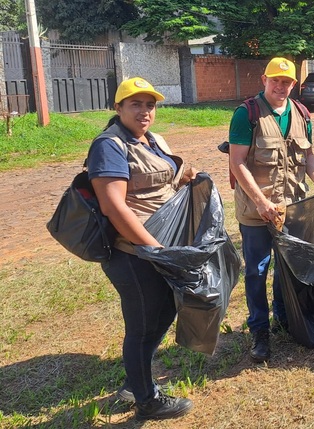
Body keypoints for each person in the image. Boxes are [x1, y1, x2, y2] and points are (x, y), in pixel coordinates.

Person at [87, 77, 197, 420]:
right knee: (142, 325)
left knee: (165, 311)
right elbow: (114, 207)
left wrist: (184, 178)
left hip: (160, 247)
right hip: (132, 253)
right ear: (118, 108)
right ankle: (146, 400)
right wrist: (155, 250)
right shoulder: (109, 145)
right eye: (135, 104)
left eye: (150, 105)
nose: (145, 111)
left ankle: (137, 381)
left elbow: (156, 187)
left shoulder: (152, 140)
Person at [228, 57, 314, 363]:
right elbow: (236, 163)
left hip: (293, 208)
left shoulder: (302, 112)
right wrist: (261, 203)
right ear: (264, 80)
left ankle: (284, 318)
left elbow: (309, 155)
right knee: (257, 271)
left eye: (286, 82)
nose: (280, 86)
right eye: (275, 80)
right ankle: (259, 331)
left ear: (294, 84)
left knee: (289, 267)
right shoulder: (246, 114)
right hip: (256, 212)